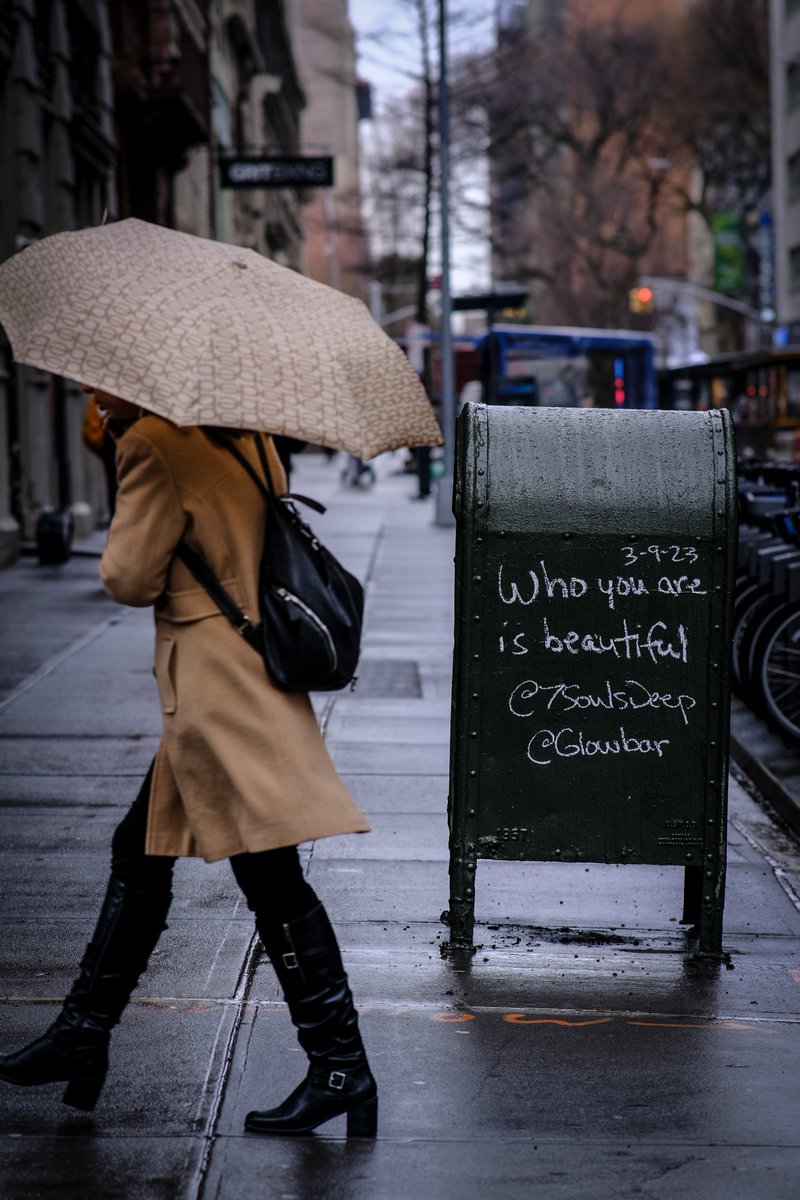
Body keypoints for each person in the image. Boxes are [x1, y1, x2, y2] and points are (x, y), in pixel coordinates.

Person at [0, 389, 378, 1138]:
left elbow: (128, 577)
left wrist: (122, 449)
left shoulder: (154, 445)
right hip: (246, 671)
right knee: (138, 852)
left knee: (269, 873)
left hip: (214, 689)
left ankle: (340, 1065)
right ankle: (84, 1031)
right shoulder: (250, 429)